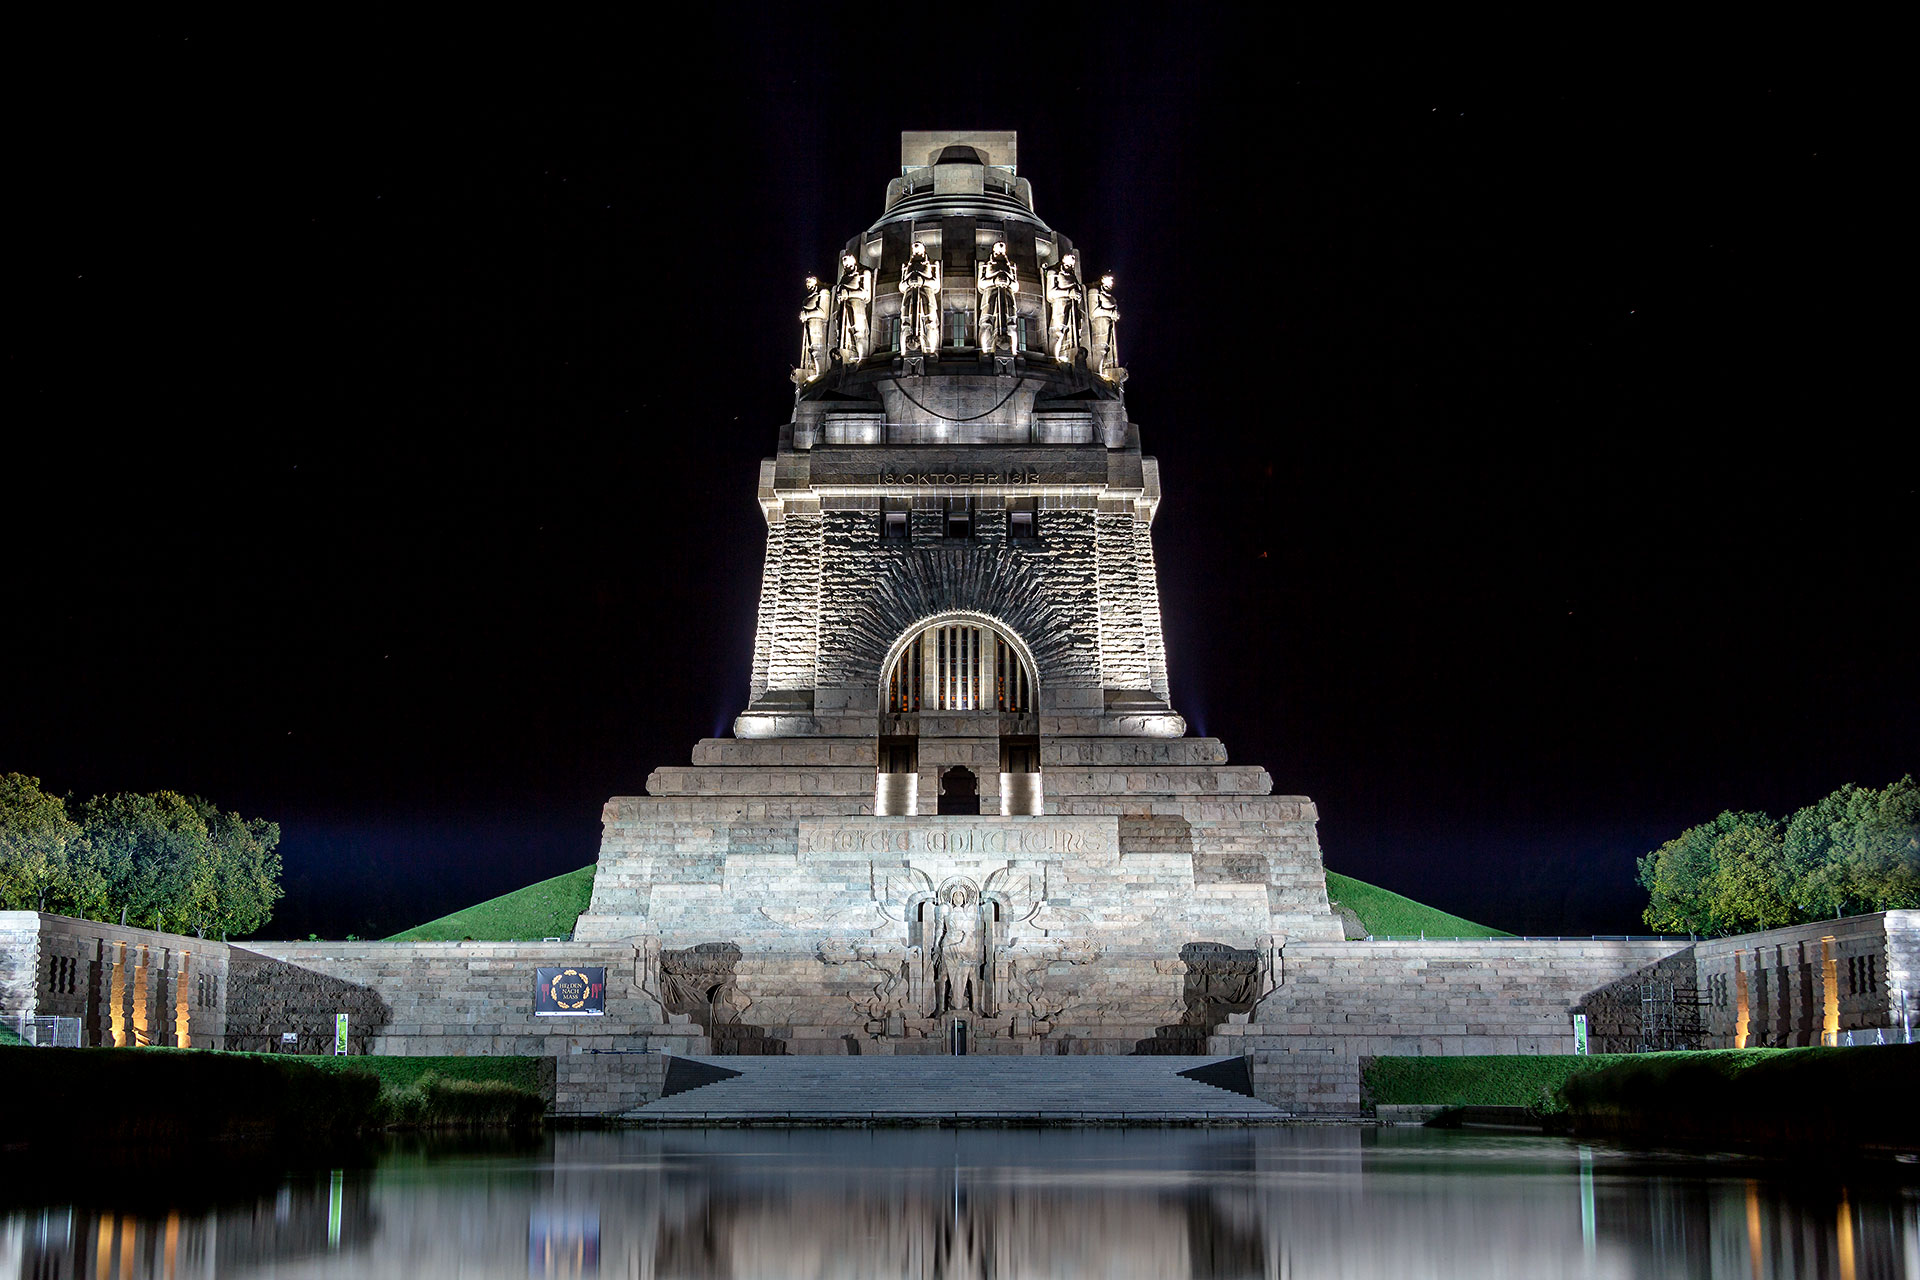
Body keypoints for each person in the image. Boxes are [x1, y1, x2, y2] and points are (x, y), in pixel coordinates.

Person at [897, 241, 942, 353]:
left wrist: (923, 280)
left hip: (926, 294)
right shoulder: (907, 266)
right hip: (908, 296)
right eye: (914, 249)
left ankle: (931, 351)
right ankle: (905, 351)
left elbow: (936, 284)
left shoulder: (932, 264)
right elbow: (901, 286)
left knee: (930, 322)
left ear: (923, 250)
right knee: (905, 324)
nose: (916, 251)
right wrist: (908, 283)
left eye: (918, 249)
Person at [975, 242, 1019, 352]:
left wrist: (1008, 281)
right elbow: (981, 284)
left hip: (1008, 295)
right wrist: (994, 280)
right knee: (986, 322)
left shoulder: (1011, 266)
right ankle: (986, 351)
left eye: (1002, 251)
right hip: (990, 295)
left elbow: (1016, 286)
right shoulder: (985, 264)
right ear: (993, 251)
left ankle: (1012, 351)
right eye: (998, 251)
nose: (1000, 253)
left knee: (1012, 324)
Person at [1045, 252, 1087, 362]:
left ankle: (1069, 358)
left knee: (1076, 333)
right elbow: (1050, 294)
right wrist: (1069, 292)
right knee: (1058, 332)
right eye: (1069, 263)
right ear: (1063, 261)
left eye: (1072, 264)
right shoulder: (1053, 272)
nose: (1071, 266)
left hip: (1074, 308)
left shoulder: (1073, 276)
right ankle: (1054, 358)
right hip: (1060, 307)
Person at [833, 253, 873, 363]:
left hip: (857, 308)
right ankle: (846, 356)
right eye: (844, 264)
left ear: (854, 261)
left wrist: (848, 293)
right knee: (842, 333)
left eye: (847, 263)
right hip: (843, 309)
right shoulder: (843, 278)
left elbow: (866, 295)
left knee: (859, 333)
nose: (846, 266)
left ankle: (862, 359)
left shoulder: (863, 273)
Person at [797, 275, 831, 379]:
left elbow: (823, 313)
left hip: (818, 325)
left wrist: (806, 314)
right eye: (807, 283)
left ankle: (820, 373)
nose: (808, 285)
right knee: (811, 349)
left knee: (817, 349)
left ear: (816, 282)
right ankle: (816, 372)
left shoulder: (822, 293)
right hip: (809, 325)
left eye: (810, 282)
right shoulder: (807, 298)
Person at [1090, 271, 1122, 378]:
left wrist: (1116, 315)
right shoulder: (1095, 292)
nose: (1111, 283)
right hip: (1100, 324)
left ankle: (1101, 372)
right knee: (1100, 349)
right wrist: (1111, 313)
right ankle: (1096, 372)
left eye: (1112, 282)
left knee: (1106, 350)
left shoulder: (1113, 299)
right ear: (1102, 281)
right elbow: (1093, 312)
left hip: (1109, 326)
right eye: (1109, 281)